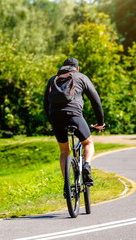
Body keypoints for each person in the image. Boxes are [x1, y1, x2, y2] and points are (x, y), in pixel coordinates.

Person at [43, 57, 105, 186]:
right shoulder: (81, 77)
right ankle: (87, 165)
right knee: (88, 143)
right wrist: (100, 123)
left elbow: (45, 104)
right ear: (77, 68)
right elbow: (95, 101)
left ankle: (67, 184)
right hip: (74, 115)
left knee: (64, 151)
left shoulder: (53, 80)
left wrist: (53, 123)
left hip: (55, 116)